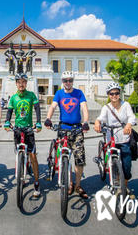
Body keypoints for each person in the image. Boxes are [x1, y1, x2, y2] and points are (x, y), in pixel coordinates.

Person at [44, 71, 90, 199]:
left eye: (70, 80)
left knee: (79, 160)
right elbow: (53, 107)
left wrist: (85, 122)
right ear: (62, 81)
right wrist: (48, 118)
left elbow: (84, 108)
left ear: (73, 81)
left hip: (77, 130)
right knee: (65, 158)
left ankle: (78, 185)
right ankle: (69, 183)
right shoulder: (59, 93)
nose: (68, 83)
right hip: (63, 129)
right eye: (65, 80)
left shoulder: (79, 93)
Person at [94, 82, 136, 195]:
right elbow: (101, 118)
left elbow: (131, 116)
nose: (114, 95)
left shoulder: (126, 105)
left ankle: (124, 186)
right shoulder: (106, 108)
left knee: (127, 165)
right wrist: (97, 122)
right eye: (111, 93)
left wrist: (129, 124)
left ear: (119, 94)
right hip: (111, 138)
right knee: (114, 164)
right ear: (108, 95)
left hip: (124, 139)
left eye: (116, 93)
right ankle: (117, 183)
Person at [4, 73, 42, 197]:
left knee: (33, 156)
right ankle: (22, 175)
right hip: (17, 129)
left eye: (23, 82)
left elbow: (37, 109)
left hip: (29, 129)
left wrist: (38, 122)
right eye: (19, 82)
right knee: (19, 154)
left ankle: (36, 182)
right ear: (16, 83)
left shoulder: (31, 95)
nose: (21, 84)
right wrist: (7, 122)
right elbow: (9, 112)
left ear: (26, 83)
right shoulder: (13, 98)